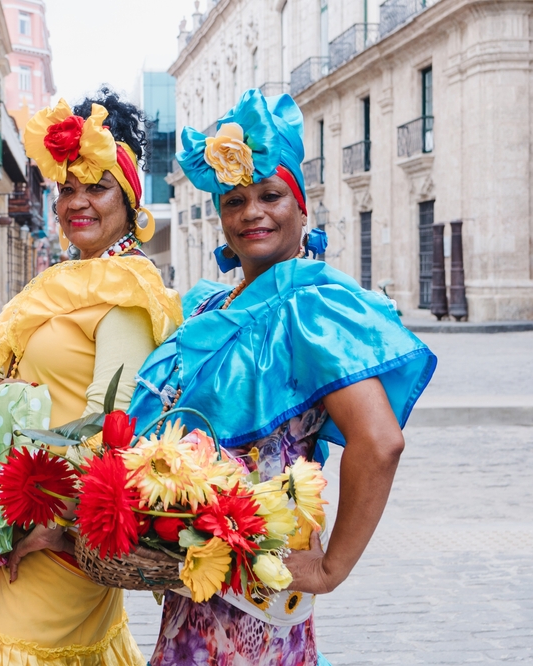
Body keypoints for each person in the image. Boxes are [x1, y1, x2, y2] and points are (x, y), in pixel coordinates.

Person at [128, 89, 437, 665]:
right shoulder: (205, 309)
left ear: (301, 206)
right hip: (194, 594)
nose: (251, 213)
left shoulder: (313, 308)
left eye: (270, 195)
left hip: (263, 598)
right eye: (234, 200)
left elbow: (380, 441)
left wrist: (331, 566)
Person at [0, 90, 183, 666]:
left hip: (57, 530)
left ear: (130, 200)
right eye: (67, 187)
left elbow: (109, 432)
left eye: (97, 187)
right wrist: (4, 393)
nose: (78, 202)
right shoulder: (60, 281)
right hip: (21, 517)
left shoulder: (126, 296)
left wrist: (57, 529)